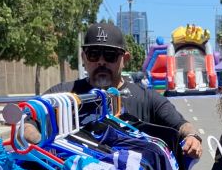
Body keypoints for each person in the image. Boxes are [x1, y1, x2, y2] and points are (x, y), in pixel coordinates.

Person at [25, 22, 203, 162]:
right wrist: (47, 146)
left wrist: (192, 137)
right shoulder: (63, 94)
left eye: (110, 55)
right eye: (94, 54)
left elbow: (181, 125)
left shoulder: (147, 98)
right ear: (83, 58)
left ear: (124, 59)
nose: (101, 62)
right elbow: (27, 122)